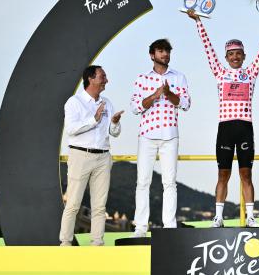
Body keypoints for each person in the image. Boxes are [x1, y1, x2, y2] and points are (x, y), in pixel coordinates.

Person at [187, 9, 259, 228]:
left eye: (238, 53)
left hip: (245, 127)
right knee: (223, 173)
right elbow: (207, 47)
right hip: (225, 128)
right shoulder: (219, 72)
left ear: (244, 56)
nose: (235, 57)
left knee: (246, 173)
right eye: (231, 54)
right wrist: (198, 21)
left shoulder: (251, 73)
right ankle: (218, 217)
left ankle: (251, 217)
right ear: (226, 58)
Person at [130, 39, 191, 237]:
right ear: (152, 55)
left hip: (170, 135)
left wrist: (168, 93)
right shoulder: (141, 78)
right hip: (147, 135)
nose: (165, 54)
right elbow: (135, 107)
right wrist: (156, 94)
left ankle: (169, 227)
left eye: (167, 51)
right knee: (142, 182)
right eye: (160, 51)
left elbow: (185, 104)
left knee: (170, 183)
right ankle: (140, 227)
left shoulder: (179, 77)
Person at [59, 65, 124, 246]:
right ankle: (65, 243)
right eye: (102, 76)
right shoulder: (74, 102)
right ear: (90, 79)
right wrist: (93, 120)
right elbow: (71, 129)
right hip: (80, 155)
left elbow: (114, 132)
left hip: (103, 157)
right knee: (73, 203)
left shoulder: (108, 103)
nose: (106, 80)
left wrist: (115, 123)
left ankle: (97, 243)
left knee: (100, 205)